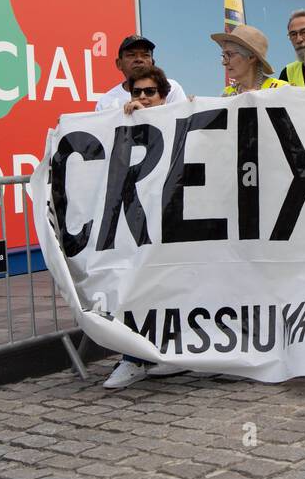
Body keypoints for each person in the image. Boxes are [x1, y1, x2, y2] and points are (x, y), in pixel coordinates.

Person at [104, 66, 190, 390]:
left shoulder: (181, 121)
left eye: (149, 92)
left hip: (175, 223)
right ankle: (132, 358)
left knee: (171, 290)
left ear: (163, 96)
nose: (142, 98)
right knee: (134, 288)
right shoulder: (123, 125)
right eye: (136, 92)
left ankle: (171, 354)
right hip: (137, 227)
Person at [95, 35, 185, 111]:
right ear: (119, 64)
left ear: (152, 62)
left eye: (145, 55)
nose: (139, 59)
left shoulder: (172, 88)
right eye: (131, 55)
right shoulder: (105, 102)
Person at [211, 24, 289, 95]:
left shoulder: (282, 90)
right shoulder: (227, 94)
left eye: (229, 54)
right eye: (224, 56)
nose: (224, 62)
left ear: (251, 57)